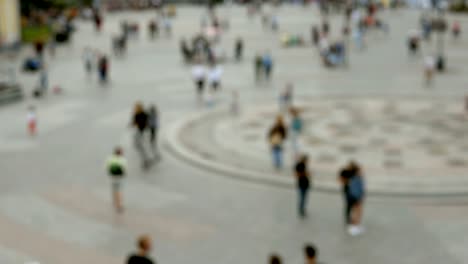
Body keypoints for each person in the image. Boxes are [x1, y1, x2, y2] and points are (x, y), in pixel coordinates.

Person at [340, 161, 365, 236]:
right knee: (353, 210)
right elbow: (354, 189)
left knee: (356, 210)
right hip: (353, 196)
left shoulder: (356, 177)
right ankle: (352, 226)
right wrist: (358, 197)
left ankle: (354, 225)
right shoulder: (353, 177)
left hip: (354, 195)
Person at [106, 147, 127, 213]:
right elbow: (124, 169)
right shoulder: (122, 160)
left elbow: (107, 167)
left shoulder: (110, 158)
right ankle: (119, 205)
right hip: (119, 178)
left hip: (112, 177)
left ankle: (114, 201)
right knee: (118, 191)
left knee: (114, 190)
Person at [132, 102, 150, 169]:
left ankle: (146, 159)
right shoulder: (137, 114)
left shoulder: (143, 114)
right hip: (140, 131)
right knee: (138, 145)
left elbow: (145, 122)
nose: (136, 109)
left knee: (143, 146)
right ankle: (145, 159)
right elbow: (134, 123)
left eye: (137, 108)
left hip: (144, 132)